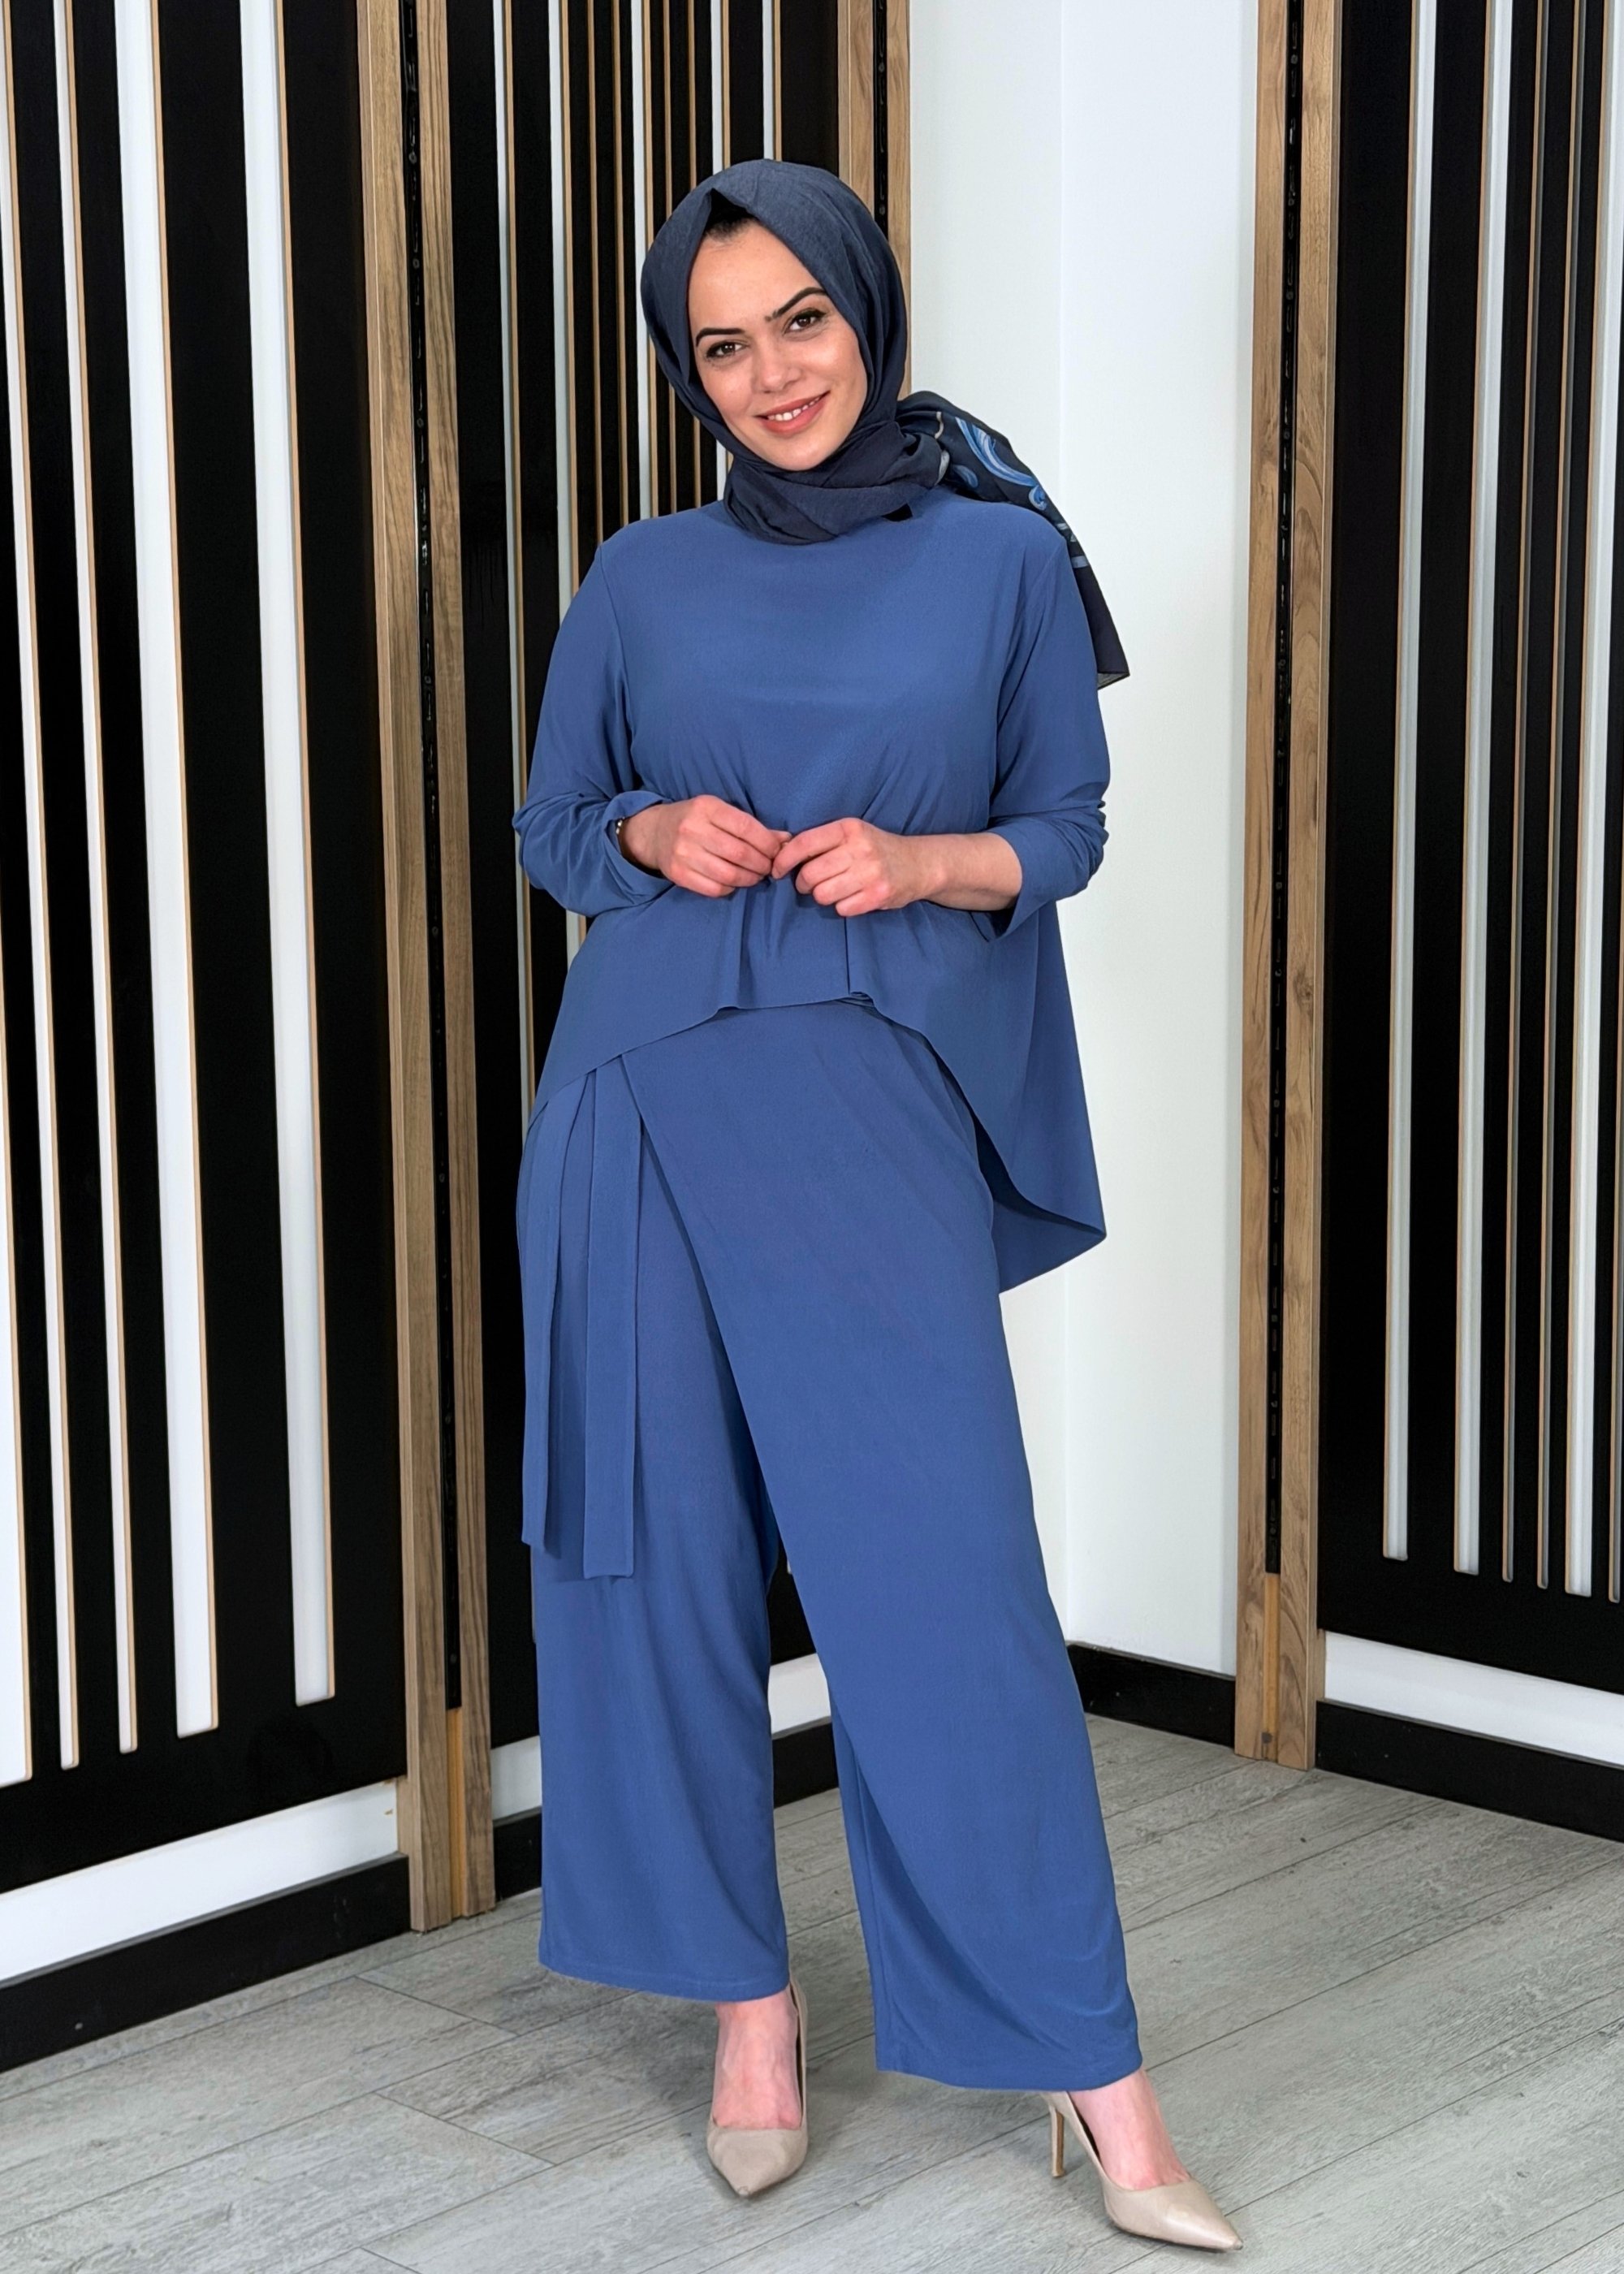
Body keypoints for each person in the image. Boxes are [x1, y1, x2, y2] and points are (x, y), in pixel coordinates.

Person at [512, 158, 1240, 2253]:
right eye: (721, 345)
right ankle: (748, 2021)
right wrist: (649, 828)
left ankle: (1095, 2081)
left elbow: (1064, 829)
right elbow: (556, 825)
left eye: (802, 321)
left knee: (943, 1584)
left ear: (866, 307)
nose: (771, 375)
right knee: (657, 1568)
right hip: (638, 1099)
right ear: (688, 372)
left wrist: (919, 865)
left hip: (867, 1096)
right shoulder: (640, 574)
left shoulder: (999, 557)